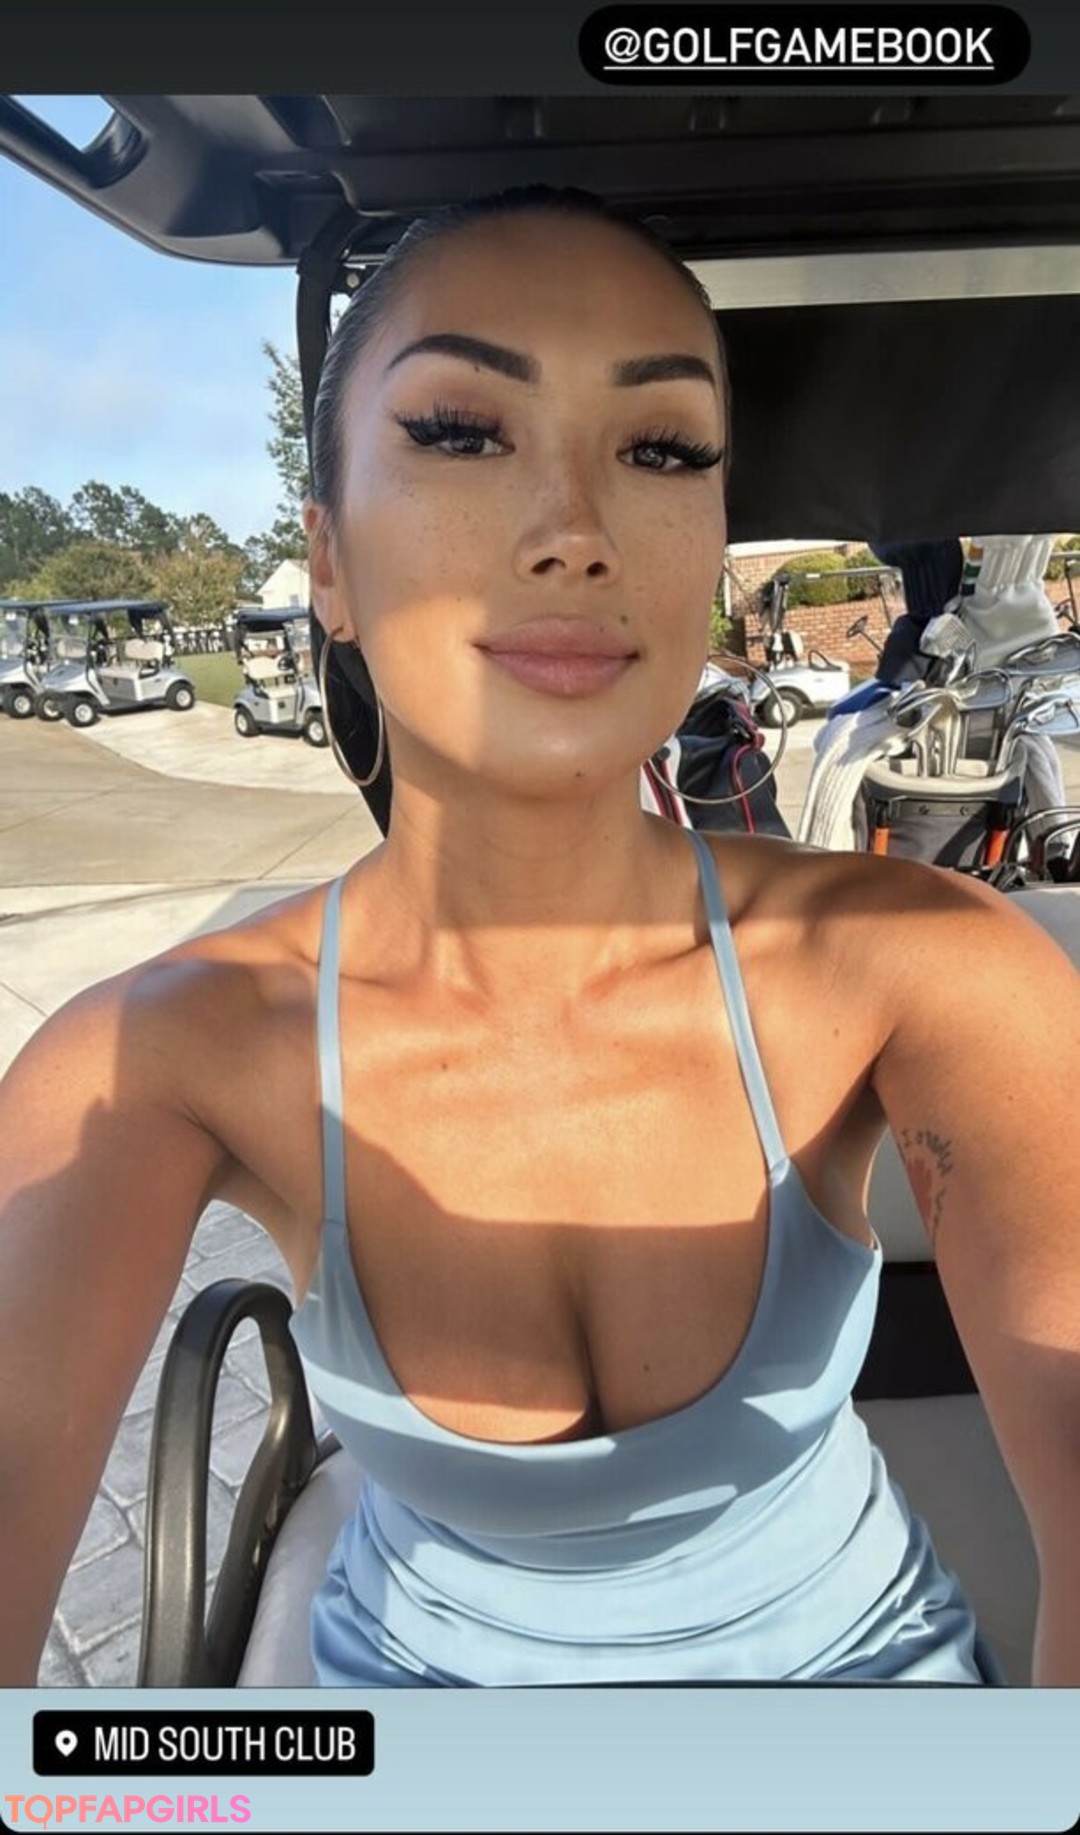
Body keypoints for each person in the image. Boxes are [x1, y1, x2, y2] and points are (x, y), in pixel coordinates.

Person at [1, 187, 1077, 1688]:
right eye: (461, 432)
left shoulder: (926, 968)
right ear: (327, 559)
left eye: (661, 450)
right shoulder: (152, 1057)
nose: (575, 531)